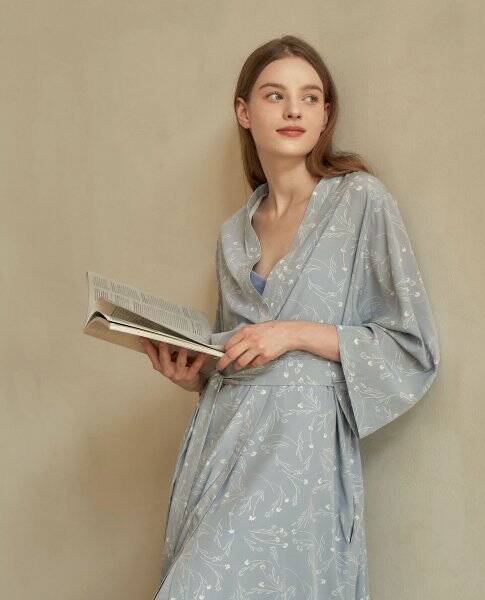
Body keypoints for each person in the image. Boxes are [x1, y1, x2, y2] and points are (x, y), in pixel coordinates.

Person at [140, 35, 440, 600]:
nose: (294, 110)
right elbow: (240, 352)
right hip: (222, 446)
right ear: (244, 111)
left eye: (310, 97)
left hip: (301, 455)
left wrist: (295, 333)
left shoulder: (360, 201)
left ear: (326, 115)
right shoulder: (233, 234)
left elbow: (412, 347)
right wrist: (195, 375)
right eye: (275, 95)